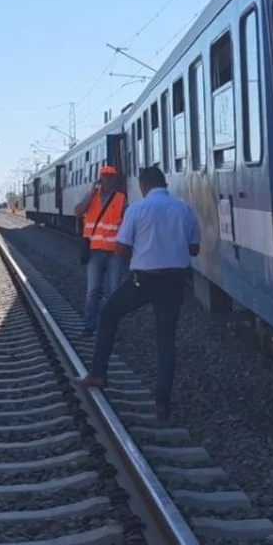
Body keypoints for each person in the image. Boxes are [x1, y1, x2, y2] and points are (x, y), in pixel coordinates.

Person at [73, 166, 198, 423]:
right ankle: (162, 403)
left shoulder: (137, 209)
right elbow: (194, 248)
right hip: (175, 281)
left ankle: (98, 373)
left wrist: (144, 248)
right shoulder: (183, 208)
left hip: (144, 281)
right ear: (164, 183)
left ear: (143, 185)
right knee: (166, 340)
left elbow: (120, 250)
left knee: (108, 314)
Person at [71, 164, 127, 341]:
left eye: (110, 177)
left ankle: (111, 328)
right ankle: (89, 326)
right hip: (95, 251)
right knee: (92, 291)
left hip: (115, 252)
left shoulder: (120, 199)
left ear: (115, 179)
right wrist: (90, 195)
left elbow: (127, 222)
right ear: (100, 178)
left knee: (114, 291)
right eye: (104, 176)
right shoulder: (91, 197)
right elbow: (78, 212)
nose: (107, 180)